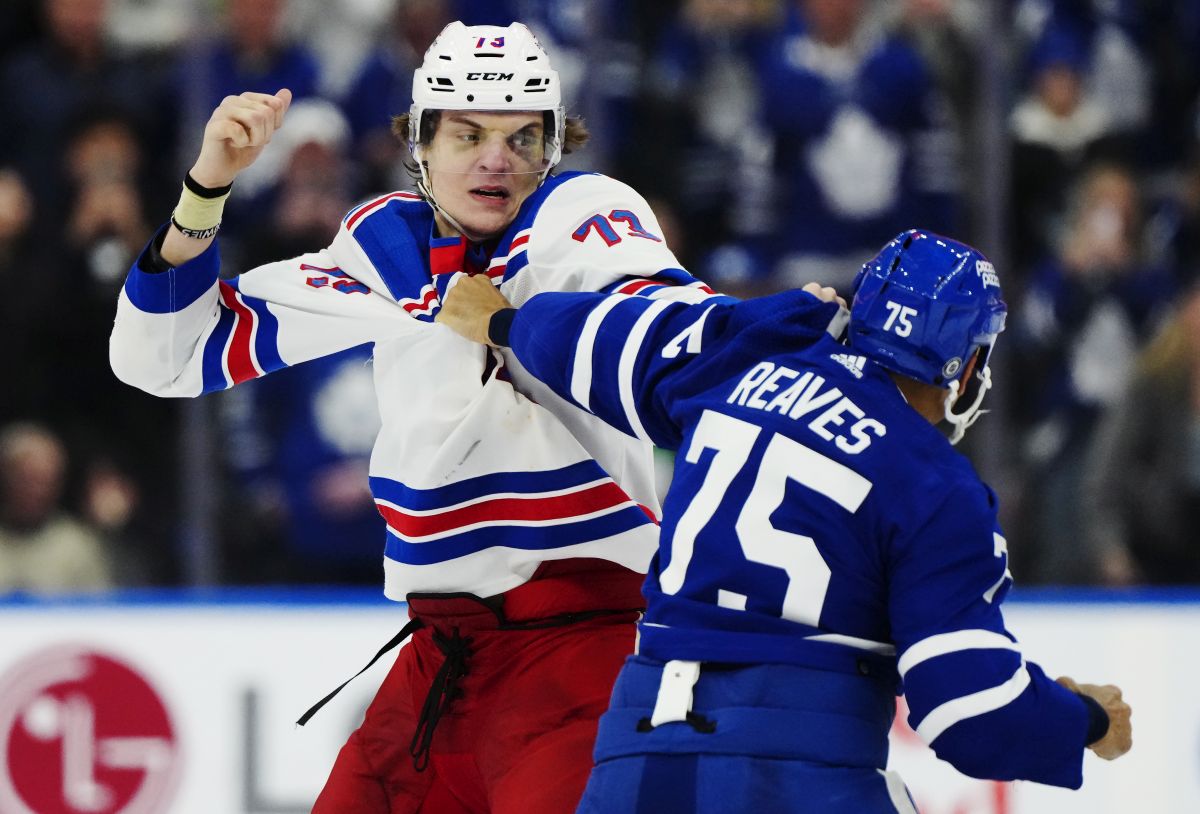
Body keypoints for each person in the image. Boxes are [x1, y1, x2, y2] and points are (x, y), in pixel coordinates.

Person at [109, 21, 717, 814]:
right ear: (420, 143)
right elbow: (166, 357)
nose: (496, 160)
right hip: (439, 661)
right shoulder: (380, 250)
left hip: (583, 654)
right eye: (468, 134)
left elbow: (667, 328)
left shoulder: (584, 218)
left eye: (523, 137)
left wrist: (523, 326)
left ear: (554, 148)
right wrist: (206, 190)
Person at [436, 229, 1134, 812]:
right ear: (968, 361)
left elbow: (607, 342)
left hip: (632, 756)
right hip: (792, 766)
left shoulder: (747, 358)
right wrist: (1084, 720)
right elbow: (968, 714)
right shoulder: (936, 486)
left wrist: (504, 323)